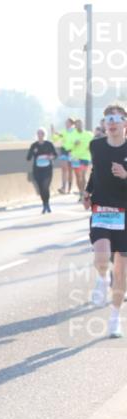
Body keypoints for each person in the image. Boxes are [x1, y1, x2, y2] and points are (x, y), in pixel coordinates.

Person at [83, 102, 127, 338]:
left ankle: (114, 318)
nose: (111, 122)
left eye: (116, 118)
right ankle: (101, 279)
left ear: (125, 124)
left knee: (121, 272)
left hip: (125, 214)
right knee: (101, 256)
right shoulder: (96, 146)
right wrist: (88, 191)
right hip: (102, 210)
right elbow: (95, 171)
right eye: (108, 118)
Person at [26, 128, 57, 214]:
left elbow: (55, 155)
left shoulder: (49, 144)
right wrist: (32, 153)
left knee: (45, 187)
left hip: (47, 169)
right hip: (37, 169)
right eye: (38, 134)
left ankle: (47, 204)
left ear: (44, 135)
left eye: (42, 134)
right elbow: (28, 158)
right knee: (40, 188)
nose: (40, 135)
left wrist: (50, 157)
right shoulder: (34, 145)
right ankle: (44, 204)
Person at [70, 118, 93, 200]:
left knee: (82, 175)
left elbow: (93, 144)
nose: (79, 125)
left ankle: (84, 193)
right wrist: (74, 144)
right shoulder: (72, 135)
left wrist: (90, 147)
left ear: (83, 124)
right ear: (75, 125)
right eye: (77, 124)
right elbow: (68, 146)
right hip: (75, 158)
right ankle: (80, 192)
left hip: (85, 157)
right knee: (78, 177)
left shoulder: (88, 134)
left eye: (80, 123)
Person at [52, 118, 75, 194]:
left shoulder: (75, 132)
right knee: (64, 169)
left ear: (72, 123)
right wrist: (53, 132)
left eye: (68, 123)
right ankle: (63, 187)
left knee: (70, 170)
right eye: (66, 123)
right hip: (64, 151)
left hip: (72, 151)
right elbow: (55, 139)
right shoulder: (63, 131)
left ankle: (69, 188)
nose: (66, 124)